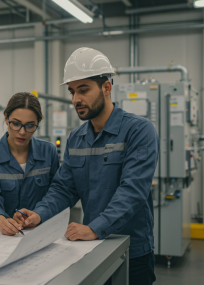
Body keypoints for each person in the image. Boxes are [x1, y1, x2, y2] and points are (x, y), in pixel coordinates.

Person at [14, 47, 159, 285]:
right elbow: (64, 189)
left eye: (83, 90)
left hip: (131, 250)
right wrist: (39, 214)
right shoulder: (76, 137)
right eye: (72, 91)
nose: (75, 99)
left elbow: (133, 191)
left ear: (106, 88)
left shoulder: (139, 130)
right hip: (92, 248)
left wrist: (94, 228)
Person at [0, 92, 59, 235]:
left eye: (29, 126)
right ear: (6, 117)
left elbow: (56, 194)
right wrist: (2, 221)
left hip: (41, 232)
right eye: (15, 124)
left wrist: (39, 214)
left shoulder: (49, 152)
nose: (22, 132)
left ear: (38, 122)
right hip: (3, 235)